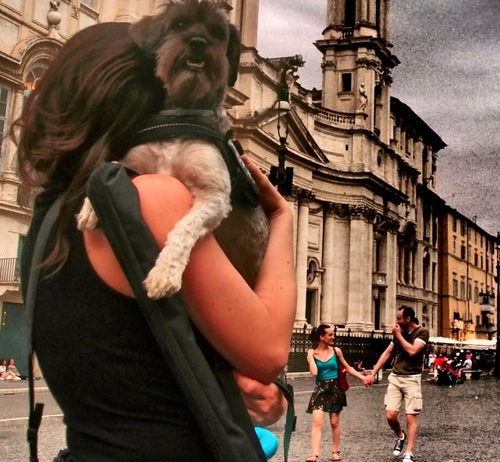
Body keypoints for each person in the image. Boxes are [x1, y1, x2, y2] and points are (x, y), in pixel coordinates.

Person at [14, 27, 297, 460]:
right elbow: (269, 352)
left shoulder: (49, 215)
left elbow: (131, 358)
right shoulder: (152, 198)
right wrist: (281, 220)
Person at [369, 306, 429, 462]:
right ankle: (400, 436)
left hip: (412, 378)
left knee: (411, 416)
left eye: (399, 318)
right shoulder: (398, 333)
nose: (397, 321)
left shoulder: (422, 332)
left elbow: (413, 351)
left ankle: (408, 451)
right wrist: (373, 373)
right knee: (390, 415)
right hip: (395, 377)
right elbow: (388, 352)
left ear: (408, 319)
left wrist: (398, 335)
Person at [305, 324, 371, 462]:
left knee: (334, 422)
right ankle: (314, 455)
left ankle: (335, 452)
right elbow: (314, 372)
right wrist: (310, 356)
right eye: (330, 334)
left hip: (335, 388)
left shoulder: (336, 351)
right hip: (320, 389)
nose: (333, 337)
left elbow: (348, 368)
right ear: (321, 337)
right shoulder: (312, 353)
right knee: (317, 421)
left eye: (333, 334)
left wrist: (363, 378)